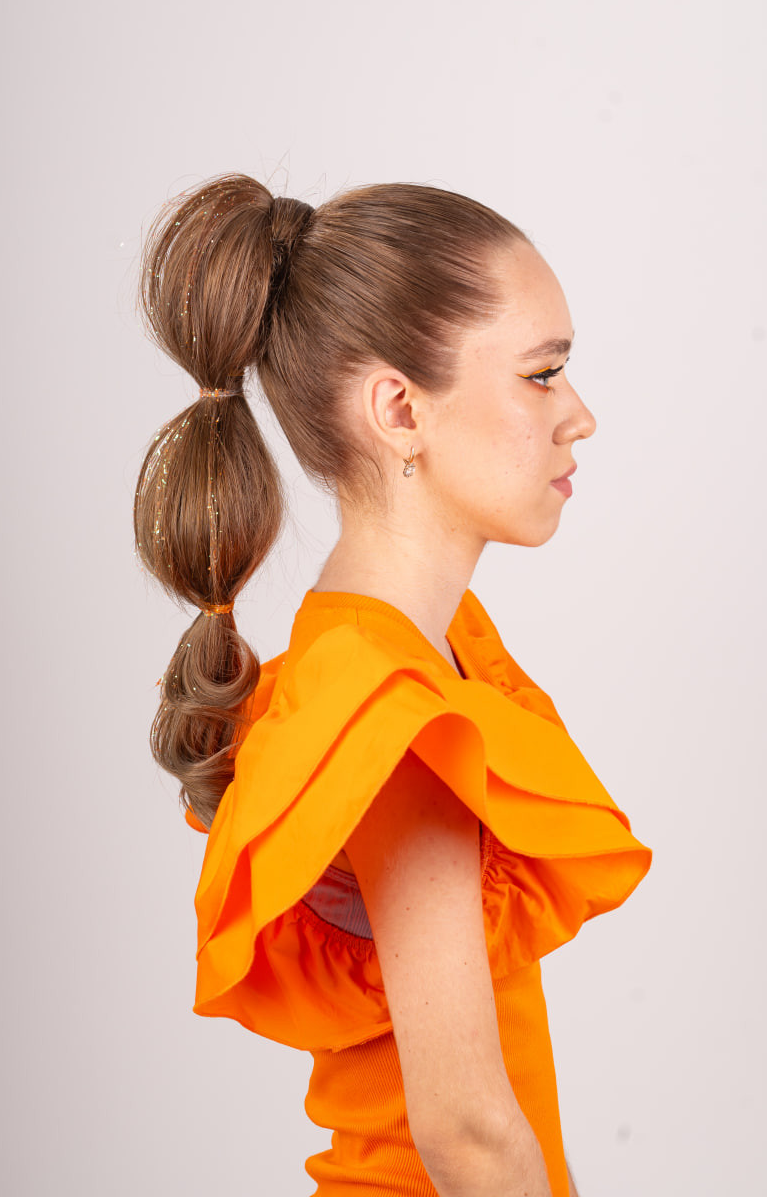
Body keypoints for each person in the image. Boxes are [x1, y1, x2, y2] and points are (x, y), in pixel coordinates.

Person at [133, 172, 653, 1197]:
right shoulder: (388, 712)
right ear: (400, 408)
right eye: (543, 374)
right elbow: (466, 1129)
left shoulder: (404, 652)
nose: (579, 415)